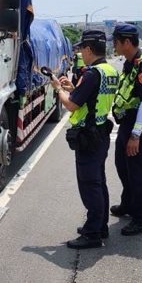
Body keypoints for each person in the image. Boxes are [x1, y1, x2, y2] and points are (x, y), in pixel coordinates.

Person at [50, 30, 119, 249]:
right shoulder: (109, 70)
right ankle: (101, 226)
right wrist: (74, 88)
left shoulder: (91, 74)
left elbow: (71, 105)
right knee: (99, 182)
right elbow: (94, 96)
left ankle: (92, 234)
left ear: (89, 49)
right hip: (101, 132)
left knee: (90, 185)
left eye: (81, 48)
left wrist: (59, 89)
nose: (80, 52)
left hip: (88, 136)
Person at [110, 23, 142, 236]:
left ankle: (141, 219)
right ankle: (128, 204)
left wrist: (136, 135)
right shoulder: (129, 62)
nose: (114, 45)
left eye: (116, 42)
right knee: (122, 165)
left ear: (127, 42)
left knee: (138, 171)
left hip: (140, 123)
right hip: (127, 122)